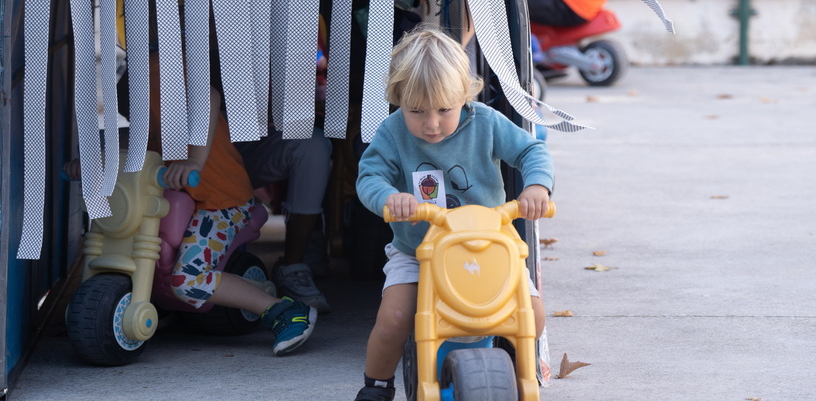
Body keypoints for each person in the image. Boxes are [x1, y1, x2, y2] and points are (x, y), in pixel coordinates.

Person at [64, 50, 316, 357]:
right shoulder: (138, 91)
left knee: (187, 279)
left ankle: (283, 310)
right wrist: (93, 162)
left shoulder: (163, 66)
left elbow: (208, 97)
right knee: (122, 240)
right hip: (177, 203)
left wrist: (194, 161)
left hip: (220, 203)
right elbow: (132, 141)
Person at [353, 26, 554, 401]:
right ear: (397, 101)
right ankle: (377, 386)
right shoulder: (393, 132)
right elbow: (370, 176)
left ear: (465, 95)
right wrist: (390, 198)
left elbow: (532, 151)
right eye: (416, 111)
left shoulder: (486, 122)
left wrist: (536, 187)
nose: (431, 124)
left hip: (489, 247)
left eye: (445, 110)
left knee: (533, 315)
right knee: (394, 318)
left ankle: (511, 364)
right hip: (418, 253)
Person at [233, 47, 333, 314]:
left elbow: (319, 63)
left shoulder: (288, 23)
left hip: (259, 141)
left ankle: (293, 266)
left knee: (313, 145)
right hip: (199, 148)